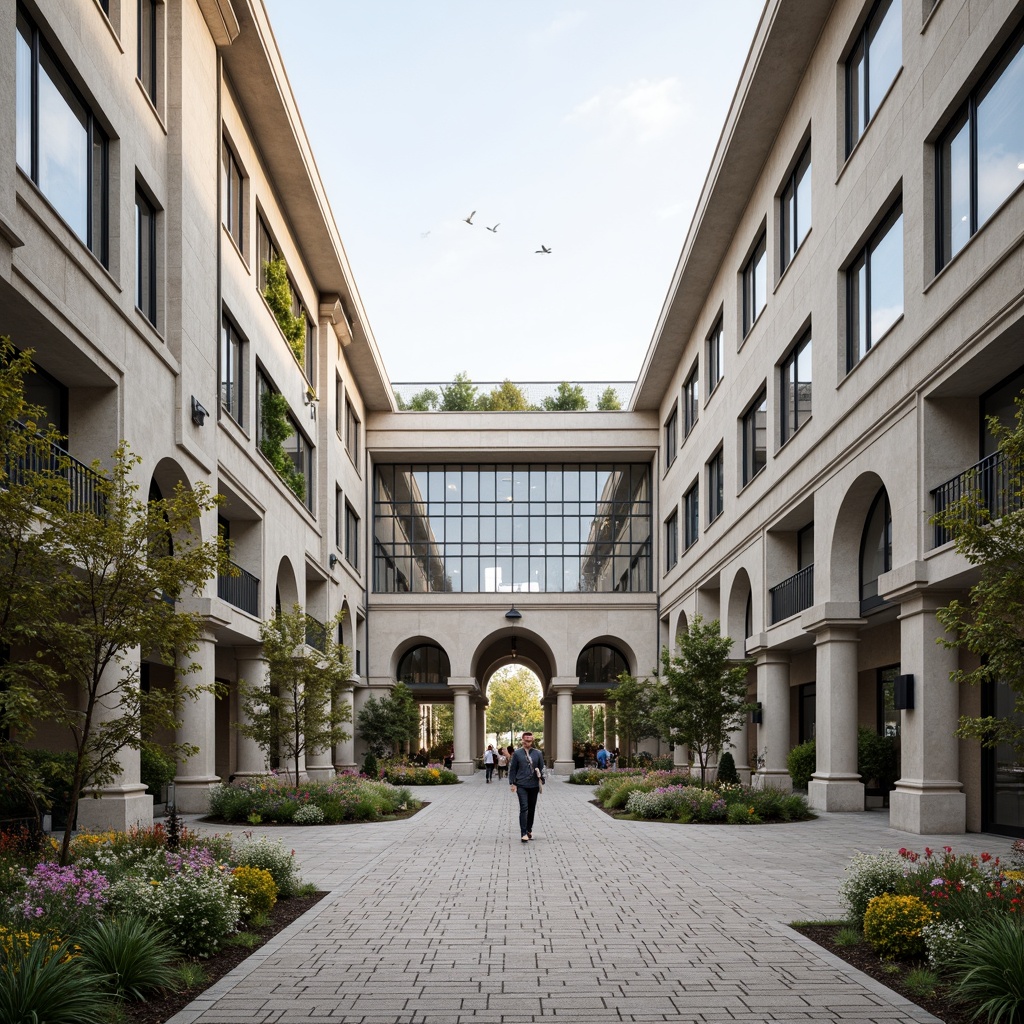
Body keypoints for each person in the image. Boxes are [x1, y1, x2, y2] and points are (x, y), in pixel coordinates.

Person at [508, 731, 545, 842]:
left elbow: (542, 767)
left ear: (532, 740)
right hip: (521, 784)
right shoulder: (517, 753)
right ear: (522, 740)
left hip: (534, 785)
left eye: (530, 740)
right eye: (526, 740)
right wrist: (512, 783)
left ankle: (529, 830)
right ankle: (523, 833)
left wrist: (541, 778)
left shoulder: (538, 753)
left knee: (532, 808)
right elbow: (513, 769)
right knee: (524, 808)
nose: (528, 742)